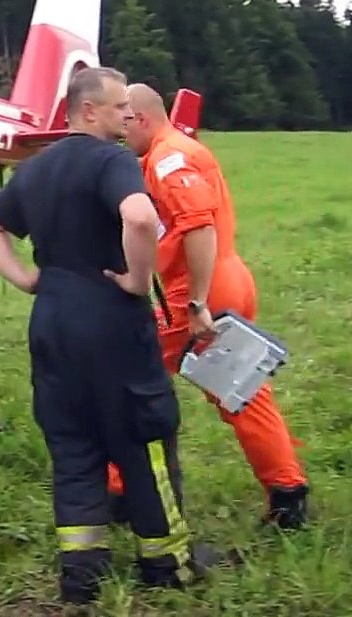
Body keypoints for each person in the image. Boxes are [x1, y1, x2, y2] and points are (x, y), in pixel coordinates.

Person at [0, 66, 217, 604]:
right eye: (118, 105)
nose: (128, 114)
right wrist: (133, 277)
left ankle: (82, 576)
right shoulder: (112, 160)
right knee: (143, 436)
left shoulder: (38, 166)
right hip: (109, 321)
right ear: (88, 111)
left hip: (52, 321)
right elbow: (141, 218)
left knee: (73, 443)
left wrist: (26, 278)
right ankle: (167, 564)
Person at [111, 83, 310, 530]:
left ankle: (119, 491)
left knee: (128, 375)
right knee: (241, 390)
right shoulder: (175, 151)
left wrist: (197, 302)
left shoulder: (168, 159)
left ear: (141, 118)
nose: (123, 137)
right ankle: (287, 491)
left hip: (199, 290)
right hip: (230, 277)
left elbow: (198, 226)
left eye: (125, 126)